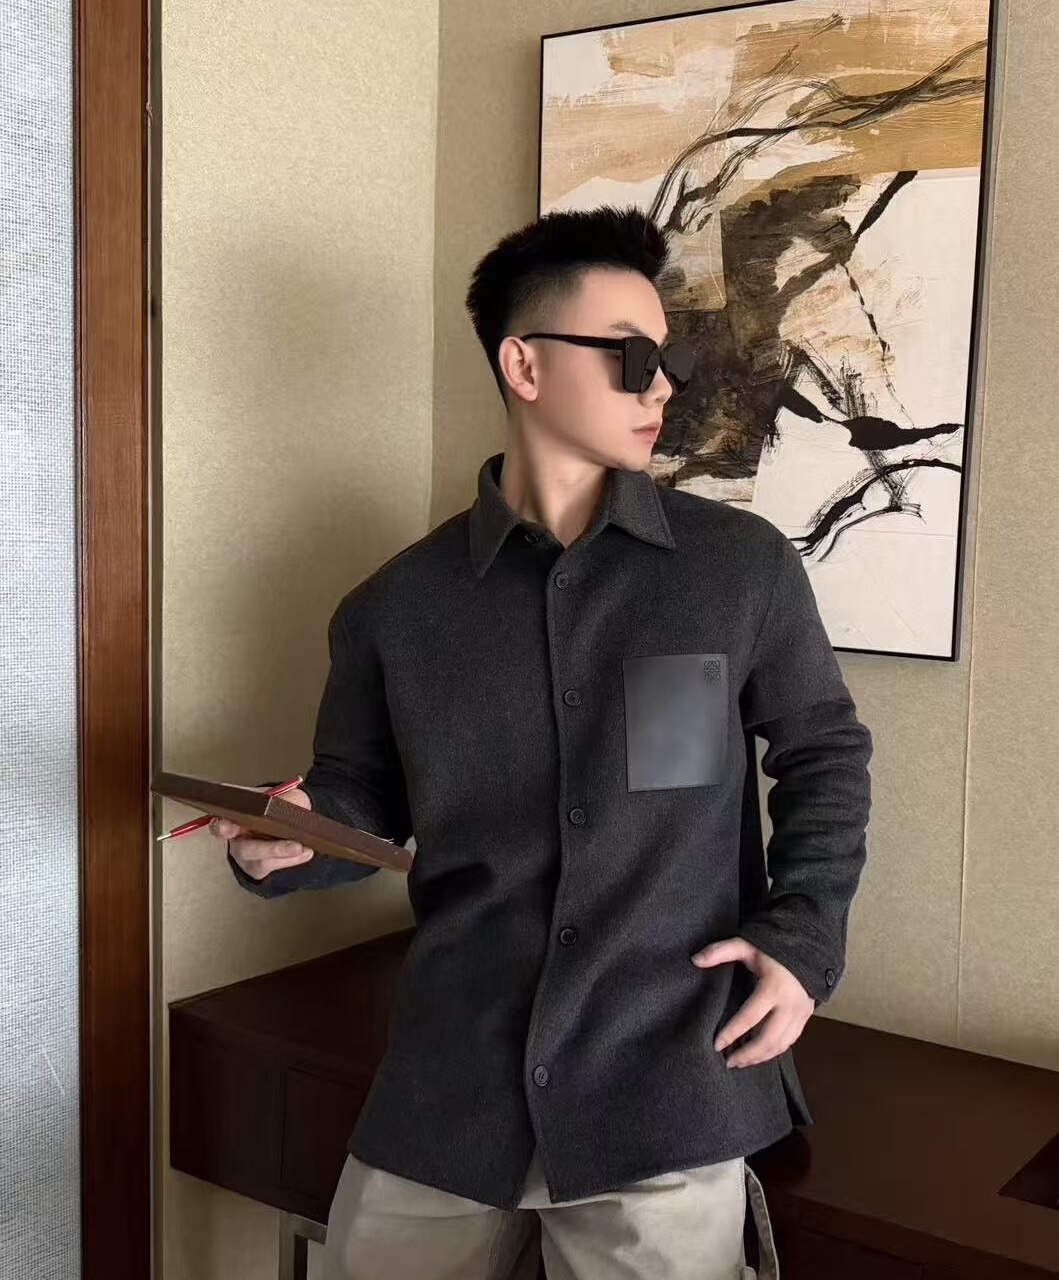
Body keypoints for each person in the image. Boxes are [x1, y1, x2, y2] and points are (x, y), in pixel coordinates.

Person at [210, 205, 873, 1280]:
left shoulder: (736, 569)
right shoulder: (394, 607)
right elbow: (360, 800)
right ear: (524, 363)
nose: (662, 388)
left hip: (666, 1082)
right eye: (633, 357)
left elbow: (823, 755)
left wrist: (802, 937)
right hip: (448, 1085)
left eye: (670, 361)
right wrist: (287, 838)